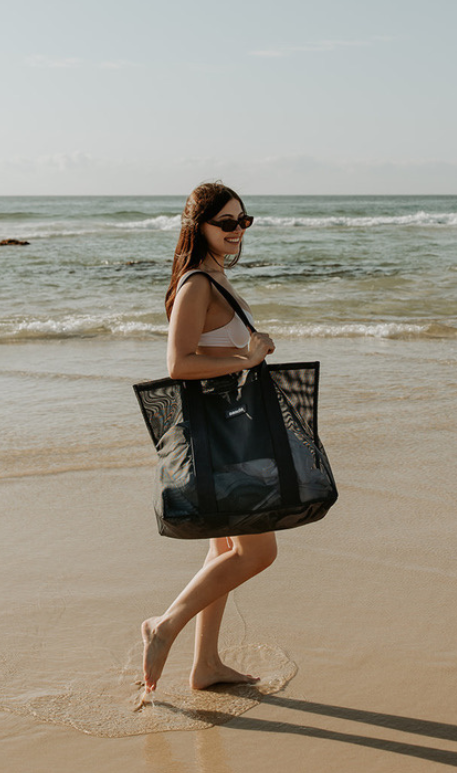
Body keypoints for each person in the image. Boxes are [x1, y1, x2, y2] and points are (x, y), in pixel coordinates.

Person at [141, 182, 277, 699]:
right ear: (197, 225)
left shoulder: (212, 276)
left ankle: (206, 665)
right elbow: (177, 365)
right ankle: (165, 625)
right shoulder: (199, 282)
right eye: (226, 222)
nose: (237, 230)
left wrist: (246, 352)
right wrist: (247, 358)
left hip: (232, 430)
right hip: (224, 441)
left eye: (244, 221)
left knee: (224, 547)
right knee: (259, 553)